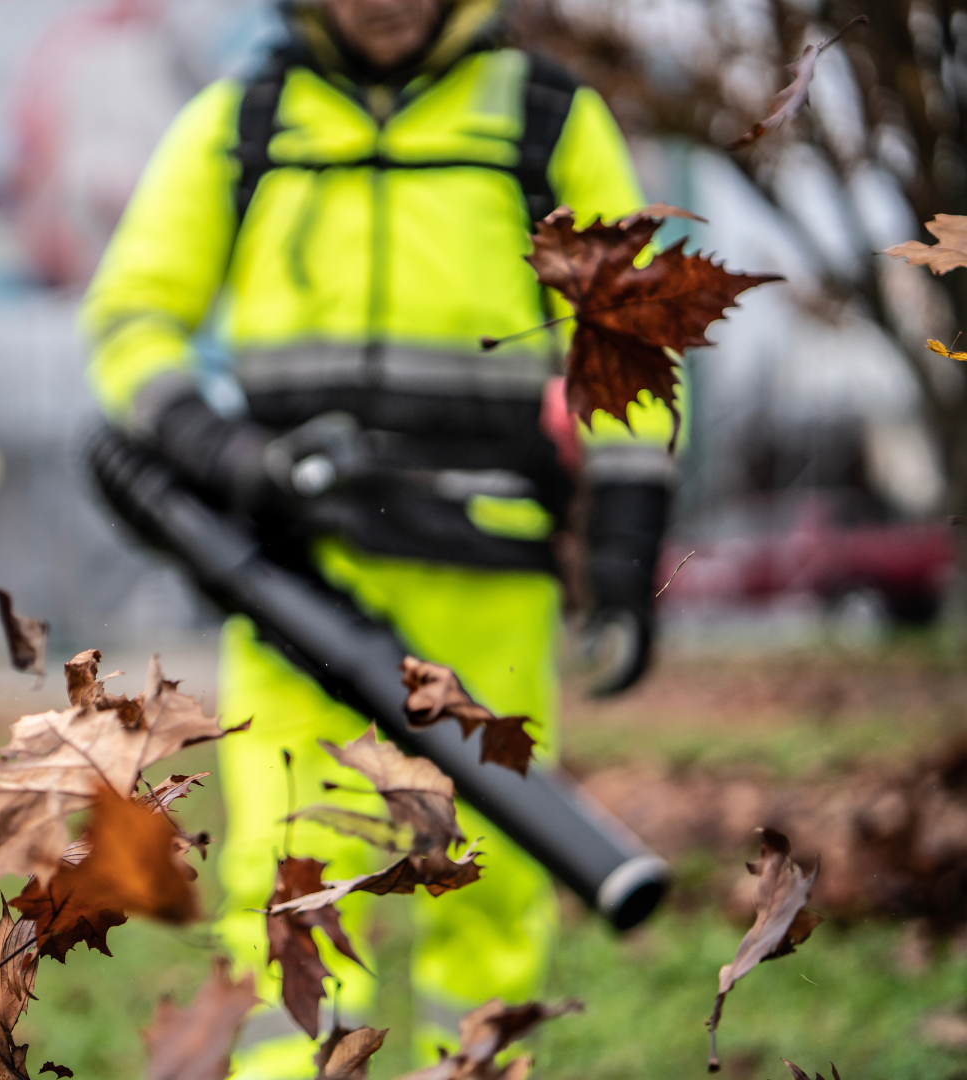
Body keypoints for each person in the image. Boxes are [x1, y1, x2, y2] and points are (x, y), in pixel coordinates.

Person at [80, 0, 678, 1076]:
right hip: (298, 574)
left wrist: (628, 561)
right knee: (292, 880)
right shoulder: (245, 119)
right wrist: (224, 458)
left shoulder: (545, 118)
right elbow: (131, 316)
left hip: (488, 565)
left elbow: (629, 341)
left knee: (488, 870)